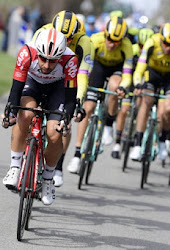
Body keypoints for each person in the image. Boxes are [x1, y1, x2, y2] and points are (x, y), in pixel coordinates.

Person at [2, 28, 79, 205]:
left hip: (58, 89)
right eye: (43, 58)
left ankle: (47, 179)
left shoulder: (70, 60)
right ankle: (15, 167)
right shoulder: (26, 52)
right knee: (25, 114)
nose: (46, 65)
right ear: (38, 52)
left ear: (60, 56)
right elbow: (16, 89)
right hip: (32, 84)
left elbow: (70, 97)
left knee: (54, 133)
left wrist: (66, 119)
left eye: (52, 61)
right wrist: (11, 113)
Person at [33, 10, 94, 187]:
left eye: (69, 39)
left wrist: (78, 101)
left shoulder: (84, 42)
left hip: (68, 80)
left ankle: (57, 166)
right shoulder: (42, 32)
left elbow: (82, 75)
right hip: (42, 76)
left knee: (64, 124)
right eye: (61, 36)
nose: (65, 42)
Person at [67, 16, 132, 173]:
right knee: (88, 108)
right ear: (105, 34)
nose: (111, 44)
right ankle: (76, 155)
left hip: (116, 69)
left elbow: (128, 73)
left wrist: (123, 87)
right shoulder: (95, 40)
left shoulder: (127, 46)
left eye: (116, 41)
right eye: (110, 39)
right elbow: (84, 66)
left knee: (115, 86)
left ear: (122, 40)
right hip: (97, 67)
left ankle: (109, 125)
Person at [129, 22, 170, 161]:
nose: (168, 47)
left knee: (169, 108)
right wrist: (137, 83)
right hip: (152, 74)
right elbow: (140, 67)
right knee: (146, 100)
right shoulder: (151, 42)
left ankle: (163, 140)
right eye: (166, 43)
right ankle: (137, 143)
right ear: (160, 38)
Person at [111, 28, 154, 159]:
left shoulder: (151, 53)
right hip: (130, 81)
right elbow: (126, 70)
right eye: (141, 45)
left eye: (145, 46)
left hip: (143, 82)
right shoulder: (133, 50)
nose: (142, 48)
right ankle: (117, 143)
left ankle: (137, 133)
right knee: (124, 111)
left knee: (142, 106)